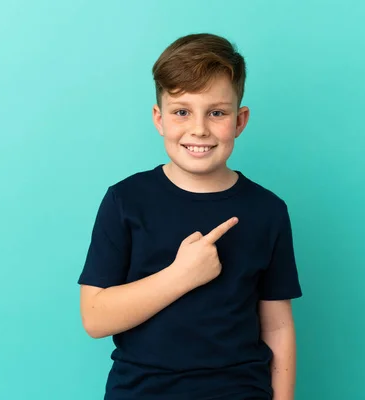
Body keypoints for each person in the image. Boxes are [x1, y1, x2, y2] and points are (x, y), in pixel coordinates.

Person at [78, 33, 302, 400]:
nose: (199, 129)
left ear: (240, 120)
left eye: (217, 113)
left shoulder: (268, 210)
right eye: (182, 111)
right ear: (159, 118)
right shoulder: (125, 200)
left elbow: (277, 327)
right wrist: (180, 276)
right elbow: (95, 318)